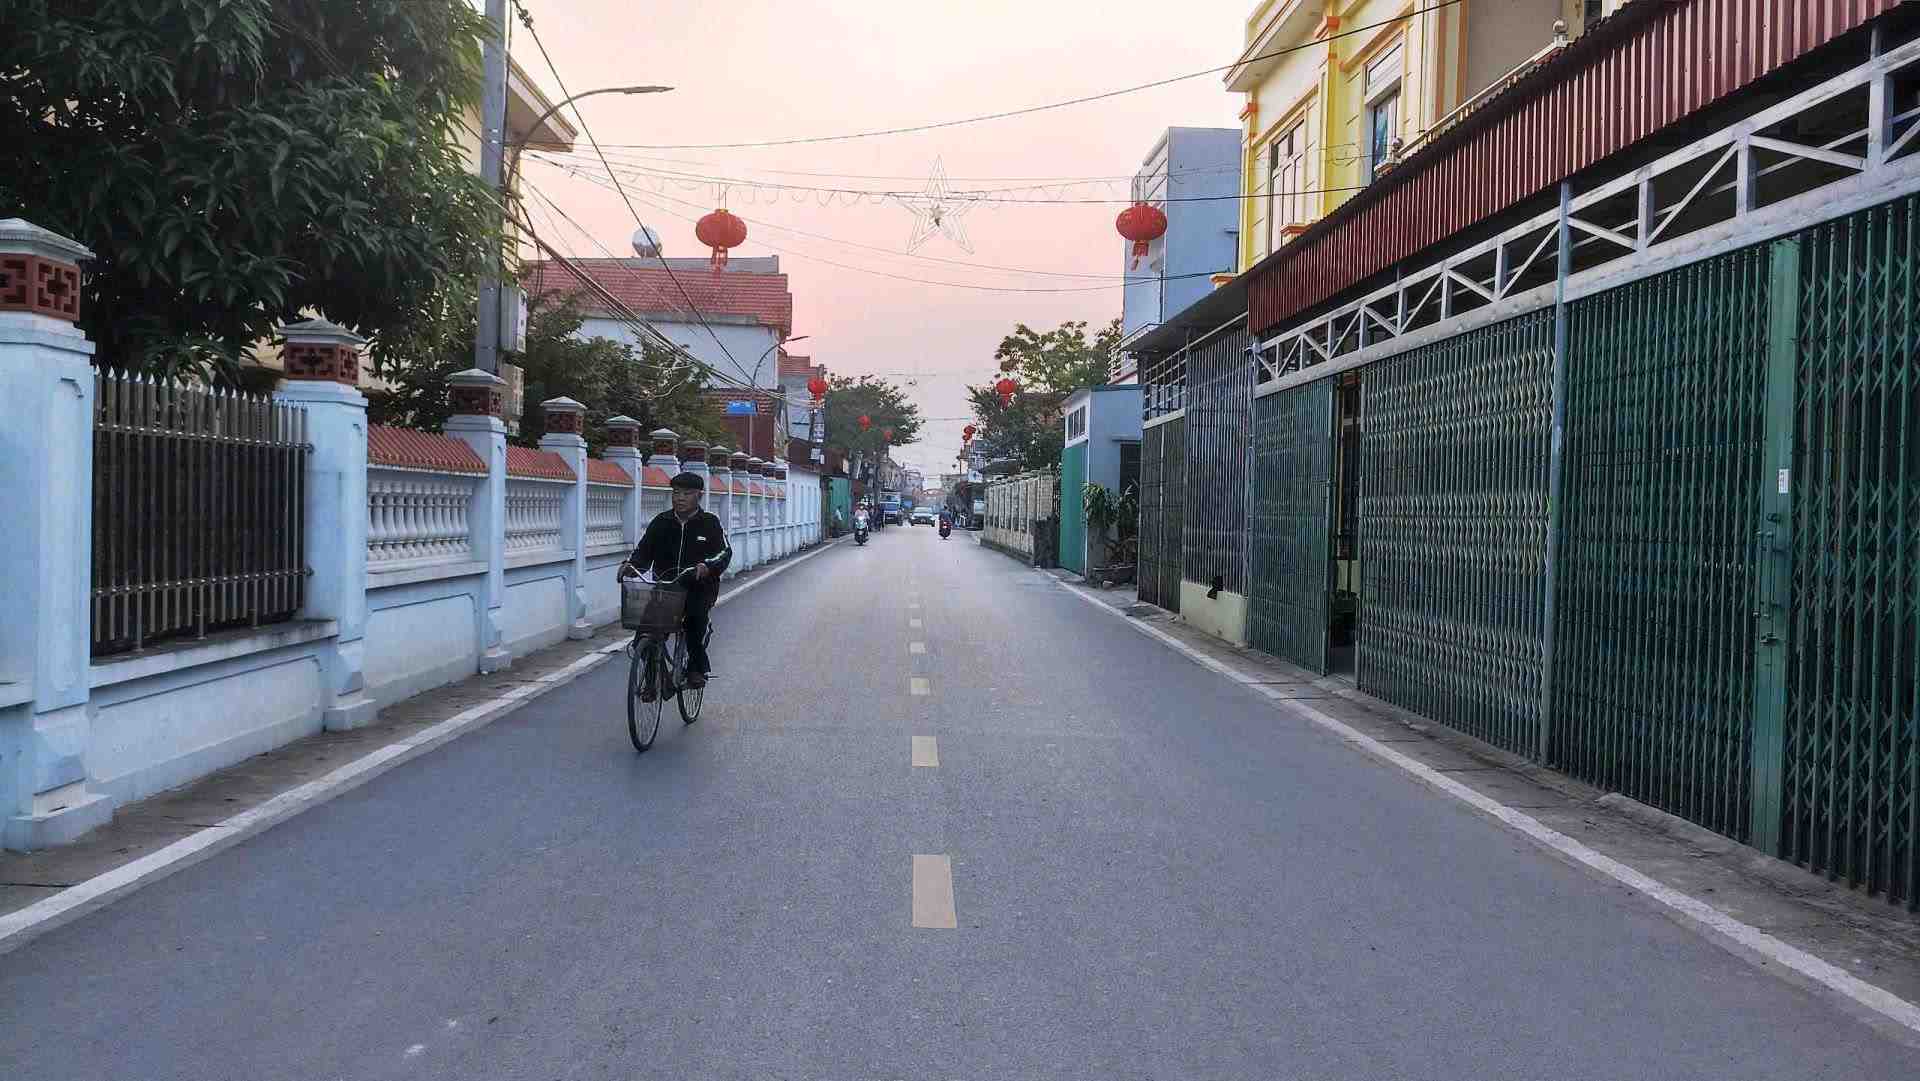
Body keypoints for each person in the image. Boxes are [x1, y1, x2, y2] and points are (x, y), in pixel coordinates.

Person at [618, 472, 731, 693]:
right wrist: (632, 565)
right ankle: (652, 680)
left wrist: (707, 566)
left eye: (686, 494)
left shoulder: (710, 523)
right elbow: (643, 552)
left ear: (699, 495)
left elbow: (724, 552)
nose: (680, 498)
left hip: (699, 588)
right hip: (667, 588)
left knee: (695, 624)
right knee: (645, 633)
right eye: (676, 493)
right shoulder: (662, 522)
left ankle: (696, 670)